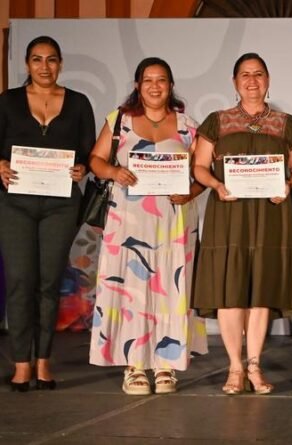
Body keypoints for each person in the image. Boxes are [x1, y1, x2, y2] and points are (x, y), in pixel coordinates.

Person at [88, 57, 208, 395]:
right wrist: (114, 172)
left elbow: (202, 171)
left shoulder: (188, 125)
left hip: (174, 220)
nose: (155, 86)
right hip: (128, 218)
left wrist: (192, 192)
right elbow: (96, 160)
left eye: (162, 80)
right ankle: (134, 365)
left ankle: (166, 365)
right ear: (138, 85)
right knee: (131, 288)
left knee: (172, 288)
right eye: (148, 80)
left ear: (170, 85)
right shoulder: (119, 121)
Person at [192, 52, 292, 395]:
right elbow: (199, 167)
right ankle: (234, 368)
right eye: (245, 74)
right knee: (230, 290)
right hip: (229, 213)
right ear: (234, 82)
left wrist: (288, 184)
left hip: (271, 215)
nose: (252, 81)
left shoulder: (287, 124)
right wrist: (216, 185)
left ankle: (255, 365)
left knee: (260, 291)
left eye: (258, 74)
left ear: (268, 81)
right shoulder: (217, 121)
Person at [0, 36, 95, 391]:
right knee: (21, 282)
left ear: (60, 64)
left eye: (51, 60)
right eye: (37, 60)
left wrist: (82, 168)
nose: (44, 67)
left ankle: (43, 363)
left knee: (49, 283)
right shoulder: (7, 102)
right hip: (14, 203)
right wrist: (0, 165)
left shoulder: (78, 103)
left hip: (60, 203)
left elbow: (88, 152)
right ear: (27, 64)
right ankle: (21, 363)